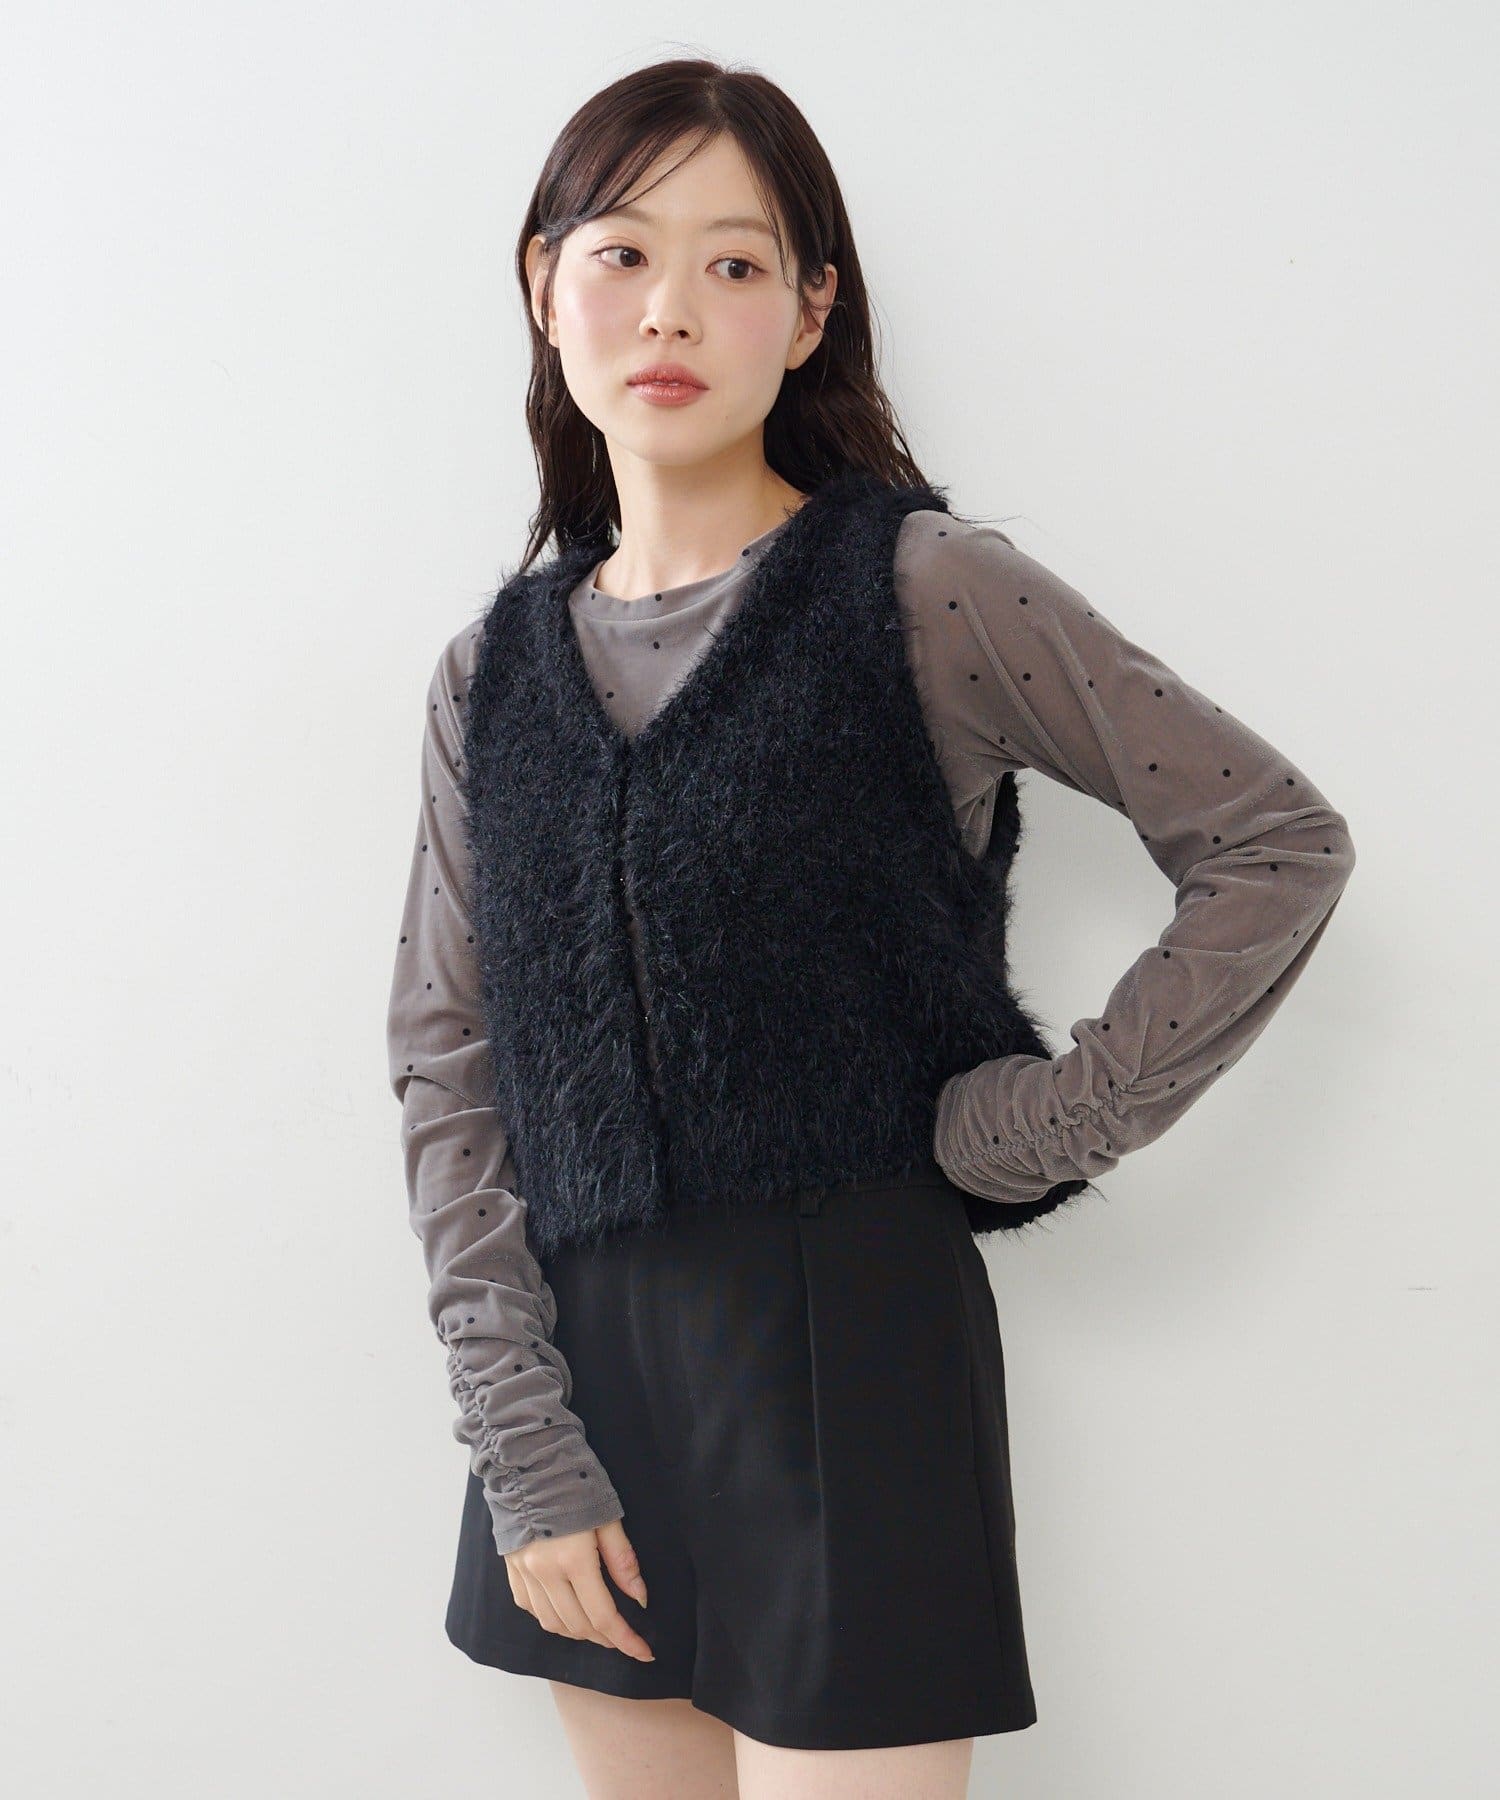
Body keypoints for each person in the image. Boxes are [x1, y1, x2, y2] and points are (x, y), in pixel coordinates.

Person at [386, 57, 1356, 1797]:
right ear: (544, 286)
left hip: (853, 1354)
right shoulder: (490, 675)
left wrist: (1037, 1126)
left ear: (811, 310)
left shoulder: (926, 588)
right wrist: (524, 1452)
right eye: (621, 254)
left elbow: (1273, 842)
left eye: (735, 263)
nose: (670, 308)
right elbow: (448, 1064)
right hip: (577, 1388)